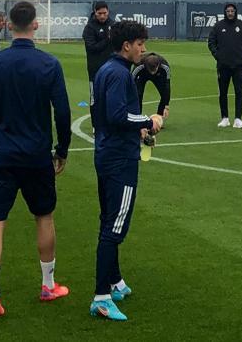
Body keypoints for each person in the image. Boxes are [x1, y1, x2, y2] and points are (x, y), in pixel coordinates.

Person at [0, 0, 73, 318]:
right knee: (44, 217)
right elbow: (62, 112)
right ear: (35, 24)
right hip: (35, 155)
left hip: (2, 154)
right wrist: (62, 150)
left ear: (8, 26)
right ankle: (47, 285)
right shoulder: (49, 64)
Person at [88, 20, 164, 322]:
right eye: (140, 44)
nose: (143, 50)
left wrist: (139, 133)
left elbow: (104, 115)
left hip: (107, 152)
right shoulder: (119, 74)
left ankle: (115, 281)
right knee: (115, 227)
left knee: (108, 218)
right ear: (126, 46)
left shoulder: (106, 70)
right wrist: (149, 121)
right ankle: (101, 297)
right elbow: (120, 115)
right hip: (119, 159)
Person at [208, 2, 242, 129]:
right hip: (223, 66)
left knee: (239, 92)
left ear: (235, 12)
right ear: (225, 12)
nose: (230, 13)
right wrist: (218, 56)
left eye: (232, 11)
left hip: (239, 66)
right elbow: (211, 42)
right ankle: (225, 118)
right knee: (223, 92)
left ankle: (238, 119)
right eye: (228, 11)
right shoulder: (218, 26)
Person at [131, 53, 171, 118]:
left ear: (158, 65)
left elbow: (167, 86)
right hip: (142, 76)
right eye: (150, 70)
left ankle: (159, 117)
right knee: (138, 95)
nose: (152, 72)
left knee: (164, 94)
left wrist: (166, 106)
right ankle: (137, 117)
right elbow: (130, 83)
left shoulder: (165, 66)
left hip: (158, 76)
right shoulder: (139, 65)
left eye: (154, 70)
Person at [83, 1, 113, 86]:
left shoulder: (113, 24)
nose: (102, 16)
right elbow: (91, 48)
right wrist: (107, 39)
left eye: (104, 13)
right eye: (99, 13)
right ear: (95, 12)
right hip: (96, 69)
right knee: (95, 97)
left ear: (108, 12)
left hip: (112, 68)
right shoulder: (89, 28)